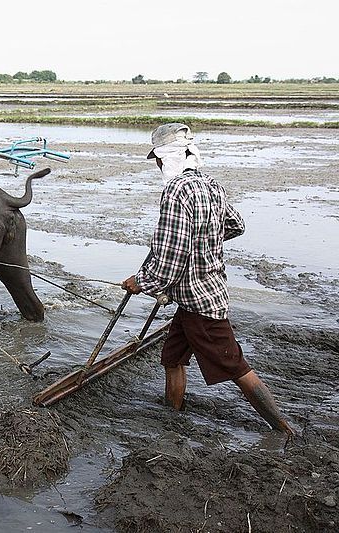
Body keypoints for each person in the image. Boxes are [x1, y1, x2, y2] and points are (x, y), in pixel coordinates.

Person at [121, 123, 293, 436]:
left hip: (201, 303)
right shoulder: (210, 183)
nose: (158, 166)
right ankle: (173, 415)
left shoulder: (175, 192)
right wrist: (203, 242)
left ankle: (283, 429)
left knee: (235, 366)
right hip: (194, 298)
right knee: (172, 357)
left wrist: (140, 282)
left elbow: (168, 263)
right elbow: (236, 225)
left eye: (158, 160)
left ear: (166, 157)